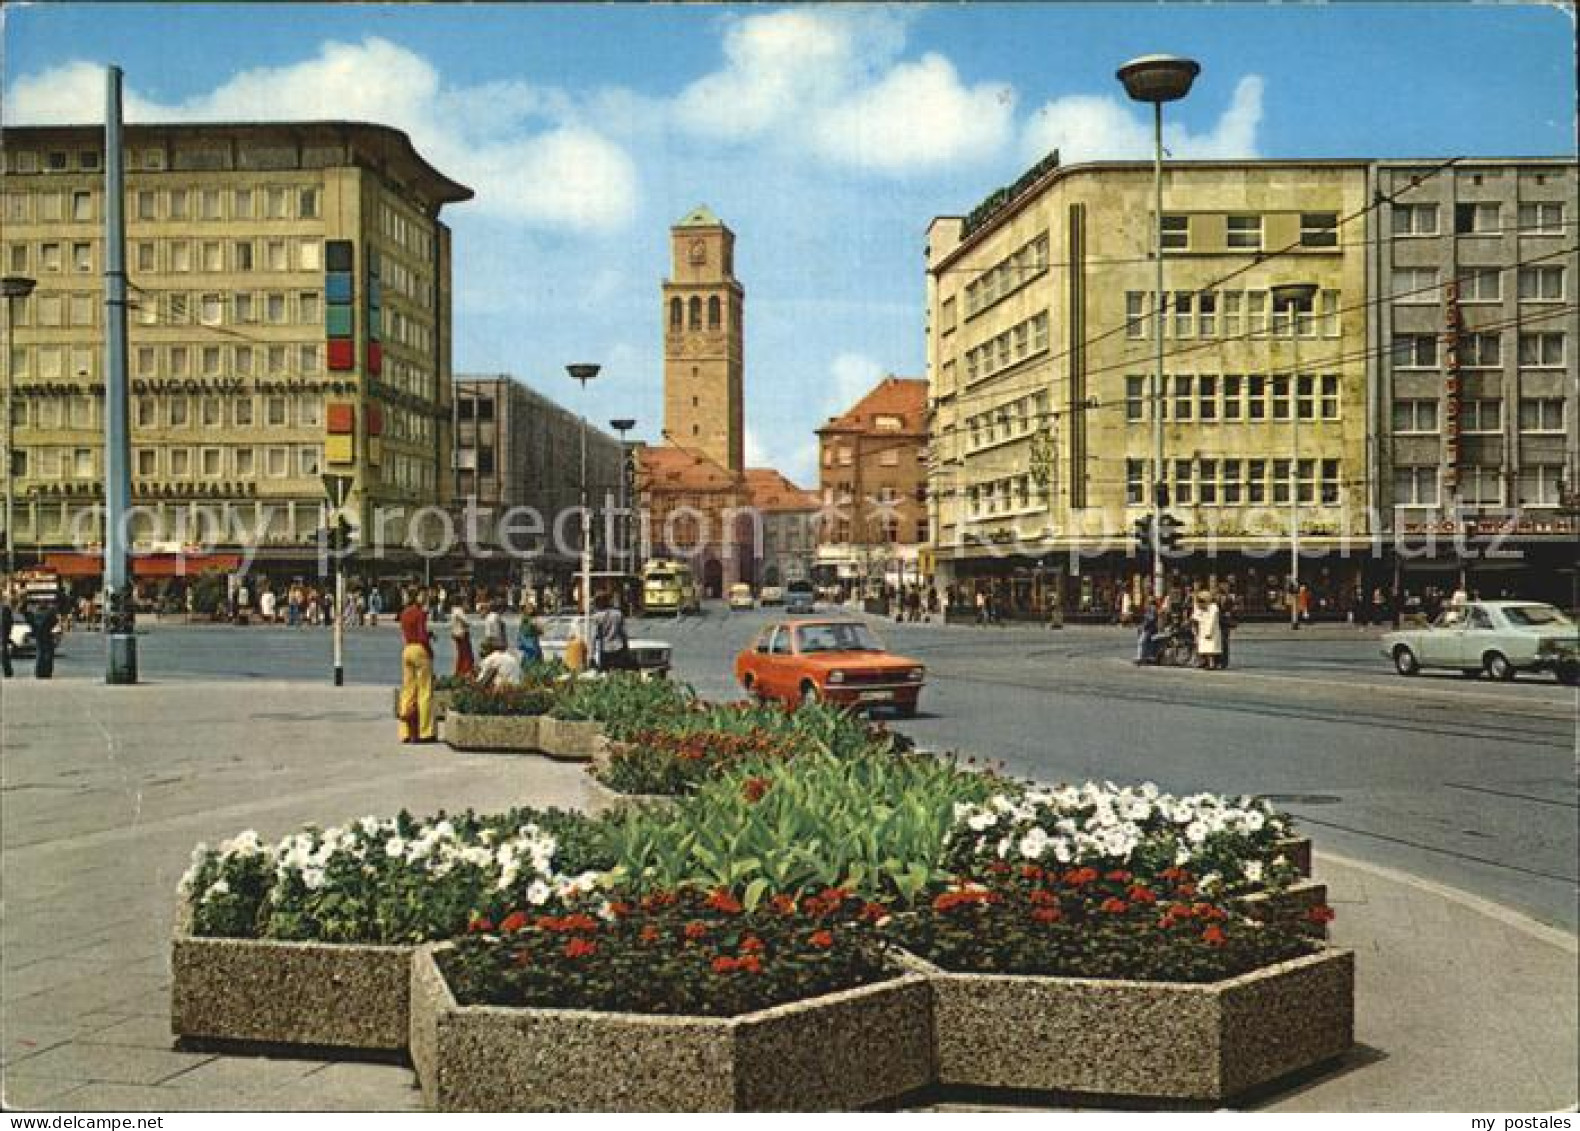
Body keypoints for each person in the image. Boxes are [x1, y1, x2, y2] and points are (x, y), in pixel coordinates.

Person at [398, 589, 436, 743]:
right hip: (419, 650)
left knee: (407, 691)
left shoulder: (404, 613)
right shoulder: (420, 613)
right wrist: (429, 646)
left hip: (407, 650)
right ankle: (424, 731)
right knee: (424, 691)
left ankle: (405, 732)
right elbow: (422, 635)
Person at [592, 592, 634, 672]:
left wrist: (592, 653)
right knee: (619, 672)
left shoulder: (597, 617)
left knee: (605, 673)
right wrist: (626, 647)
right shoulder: (618, 614)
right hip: (618, 647)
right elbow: (623, 633)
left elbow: (594, 636)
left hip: (604, 648)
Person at [1193, 592, 1224, 671]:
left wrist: (1208, 632)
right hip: (1202, 629)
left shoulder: (1213, 607)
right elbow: (1196, 617)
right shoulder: (1199, 607)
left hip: (1212, 630)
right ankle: (1206, 662)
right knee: (1204, 648)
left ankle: (1212, 664)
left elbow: (1212, 620)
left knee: (1211, 649)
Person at [450, 599, 475, 677]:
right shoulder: (459, 611)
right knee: (466, 655)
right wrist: (469, 624)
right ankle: (465, 671)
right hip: (462, 634)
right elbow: (466, 622)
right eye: (466, 603)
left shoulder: (454, 610)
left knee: (461, 654)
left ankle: (459, 671)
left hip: (456, 634)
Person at [1135, 600, 1159, 665]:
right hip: (1148, 629)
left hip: (1149, 629)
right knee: (1145, 643)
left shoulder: (1153, 610)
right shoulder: (1149, 610)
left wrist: (1143, 626)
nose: (1147, 605)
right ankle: (1144, 657)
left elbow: (1151, 620)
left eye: (1148, 603)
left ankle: (1140, 658)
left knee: (1141, 642)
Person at [1, 585, 14, 679]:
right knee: (4, 653)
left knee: (4, 653)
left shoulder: (5, 608)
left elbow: (9, 622)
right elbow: (10, 622)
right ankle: (8, 671)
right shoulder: (6, 608)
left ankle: (8, 671)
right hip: (3, 634)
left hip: (3, 634)